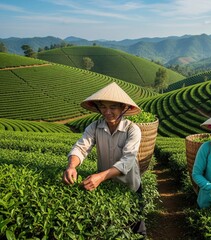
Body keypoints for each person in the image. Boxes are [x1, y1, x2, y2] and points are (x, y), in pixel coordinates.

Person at [62, 82, 147, 235]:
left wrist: (100, 176)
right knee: (110, 227)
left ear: (123, 108)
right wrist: (71, 166)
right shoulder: (94, 127)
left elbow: (127, 160)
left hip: (130, 186)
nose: (107, 112)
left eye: (113, 107)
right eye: (103, 107)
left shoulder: (132, 130)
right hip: (105, 186)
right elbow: (81, 147)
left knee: (135, 227)